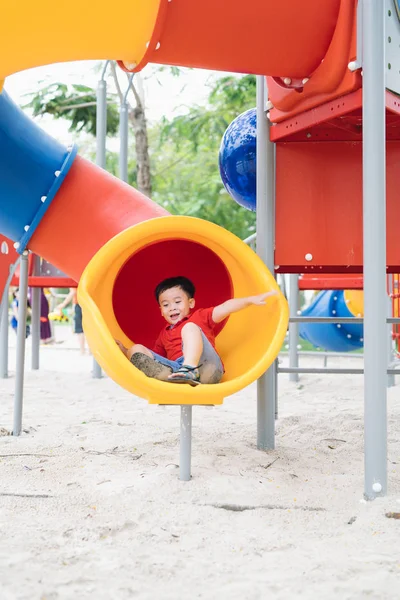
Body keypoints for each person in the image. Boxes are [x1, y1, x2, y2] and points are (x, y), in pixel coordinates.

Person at [116, 276, 278, 386]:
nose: (172, 307)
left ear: (191, 303)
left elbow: (226, 307)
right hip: (176, 370)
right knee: (137, 348)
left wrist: (250, 300)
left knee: (189, 327)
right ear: (161, 311)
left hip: (207, 367)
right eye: (165, 305)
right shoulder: (164, 333)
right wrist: (126, 351)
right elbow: (154, 357)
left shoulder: (201, 316)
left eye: (177, 302)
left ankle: (189, 369)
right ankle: (169, 377)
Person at [55, 288, 87, 355]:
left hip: (79, 304)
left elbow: (73, 292)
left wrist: (63, 304)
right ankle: (89, 351)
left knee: (80, 329)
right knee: (88, 328)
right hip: (87, 304)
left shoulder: (75, 280)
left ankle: (82, 350)